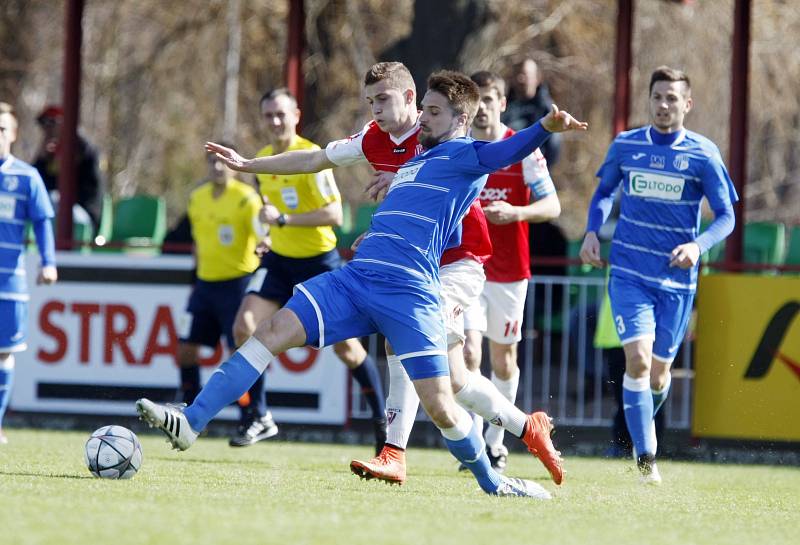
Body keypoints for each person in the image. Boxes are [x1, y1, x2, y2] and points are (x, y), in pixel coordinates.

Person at [136, 70, 587, 499]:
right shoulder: (413, 160)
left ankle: (491, 480)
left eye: (433, 111)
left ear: (459, 119)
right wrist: (250, 164)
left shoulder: (466, 154)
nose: (423, 118)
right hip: (357, 278)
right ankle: (191, 421)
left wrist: (545, 125)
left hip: (415, 288)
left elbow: (504, 153)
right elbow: (316, 159)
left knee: (443, 403)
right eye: (424, 109)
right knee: (269, 333)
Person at [579, 66, 737, 483]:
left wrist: (697, 245)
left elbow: (726, 217)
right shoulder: (626, 145)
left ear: (687, 104)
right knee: (638, 359)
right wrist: (592, 231)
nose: (663, 105)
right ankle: (646, 457)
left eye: (672, 98)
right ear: (647, 100)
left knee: (659, 374)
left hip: (677, 282)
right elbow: (605, 192)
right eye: (657, 97)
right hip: (629, 272)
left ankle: (645, 425)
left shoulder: (703, 154)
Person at [227, 89, 387, 450]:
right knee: (243, 327)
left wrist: (284, 220)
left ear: (296, 114)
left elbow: (335, 215)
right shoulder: (265, 162)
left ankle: (382, 423)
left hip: (318, 261)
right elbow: (272, 213)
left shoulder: (309, 155)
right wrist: (269, 235)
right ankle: (260, 416)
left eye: (281, 114)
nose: (275, 122)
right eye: (268, 115)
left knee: (348, 350)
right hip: (280, 260)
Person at [462, 70, 561, 472]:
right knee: (468, 354)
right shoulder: (460, 149)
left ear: (503, 103)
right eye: (477, 100)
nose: (483, 107)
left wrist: (516, 212)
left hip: (510, 273)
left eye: (490, 99)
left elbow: (552, 206)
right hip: (467, 269)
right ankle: (473, 446)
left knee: (503, 362)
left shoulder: (522, 149)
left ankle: (496, 439)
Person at [175, 148, 263, 413]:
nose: (217, 166)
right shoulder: (197, 198)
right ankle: (189, 410)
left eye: (223, 161)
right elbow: (197, 243)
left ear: (233, 166)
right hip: (204, 285)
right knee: (185, 350)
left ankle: (249, 414)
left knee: (240, 354)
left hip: (237, 285)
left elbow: (263, 237)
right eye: (212, 161)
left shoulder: (246, 198)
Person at [0, 102, 58, 444]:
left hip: (9, 283)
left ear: (14, 134)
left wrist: (48, 262)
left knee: (4, 354)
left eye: (2, 129)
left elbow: (42, 221)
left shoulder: (26, 176)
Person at [32, 105, 105, 230]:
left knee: (51, 200)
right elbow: (34, 182)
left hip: (83, 213)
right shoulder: (51, 153)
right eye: (44, 125)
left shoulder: (83, 149)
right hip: (57, 208)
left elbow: (91, 189)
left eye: (52, 123)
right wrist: (42, 158)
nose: (47, 130)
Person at [502, 58, 561, 167]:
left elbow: (554, 147)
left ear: (537, 79)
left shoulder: (547, 110)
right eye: (517, 74)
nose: (520, 79)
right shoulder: (504, 106)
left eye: (525, 74)